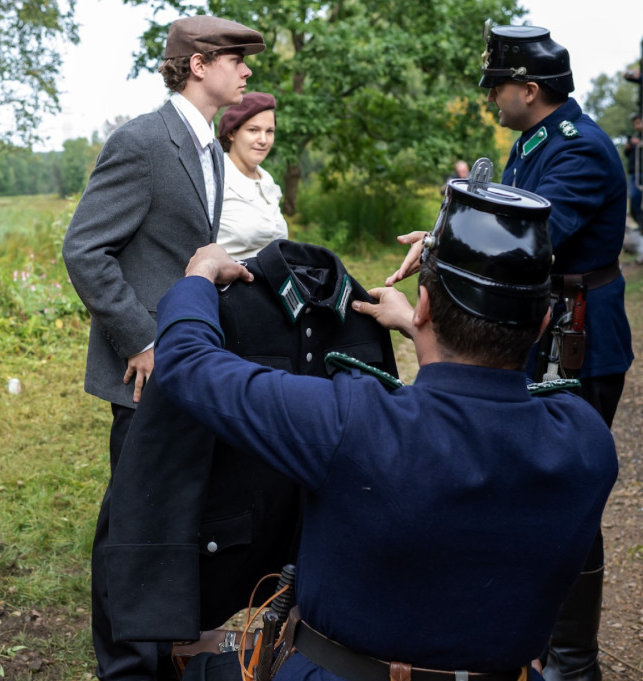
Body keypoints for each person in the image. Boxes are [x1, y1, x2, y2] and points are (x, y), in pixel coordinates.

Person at [154, 179, 617, 681]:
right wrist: (425, 326)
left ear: (421, 306)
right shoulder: (586, 440)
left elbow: (188, 364)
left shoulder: (353, 422)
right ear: (545, 321)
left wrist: (199, 276)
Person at [385, 25, 633, 681]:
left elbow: (526, 235)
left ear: (529, 88)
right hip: (540, 334)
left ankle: (572, 661)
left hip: (580, 341)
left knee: (566, 489)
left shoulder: (579, 151)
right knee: (518, 484)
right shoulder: (532, 143)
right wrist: (440, 233)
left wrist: (441, 245)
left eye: (497, 86)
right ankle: (522, 637)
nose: (492, 97)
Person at [61, 14, 265, 681]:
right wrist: (142, 337)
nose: (248, 70)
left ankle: (160, 649)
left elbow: (180, 249)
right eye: (237, 57)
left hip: (185, 364)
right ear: (199, 63)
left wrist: (224, 270)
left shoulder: (207, 145)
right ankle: (124, 663)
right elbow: (86, 250)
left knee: (166, 512)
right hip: (144, 368)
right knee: (129, 524)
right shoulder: (144, 140)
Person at [215, 91, 289, 258]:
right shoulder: (215, 179)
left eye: (269, 131)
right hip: (226, 282)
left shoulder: (267, 182)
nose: (263, 140)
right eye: (253, 130)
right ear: (231, 133)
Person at [625, 112, 642, 227]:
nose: (637, 126)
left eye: (639, 123)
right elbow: (628, 155)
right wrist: (628, 147)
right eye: (635, 124)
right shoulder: (635, 139)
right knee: (634, 202)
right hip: (635, 173)